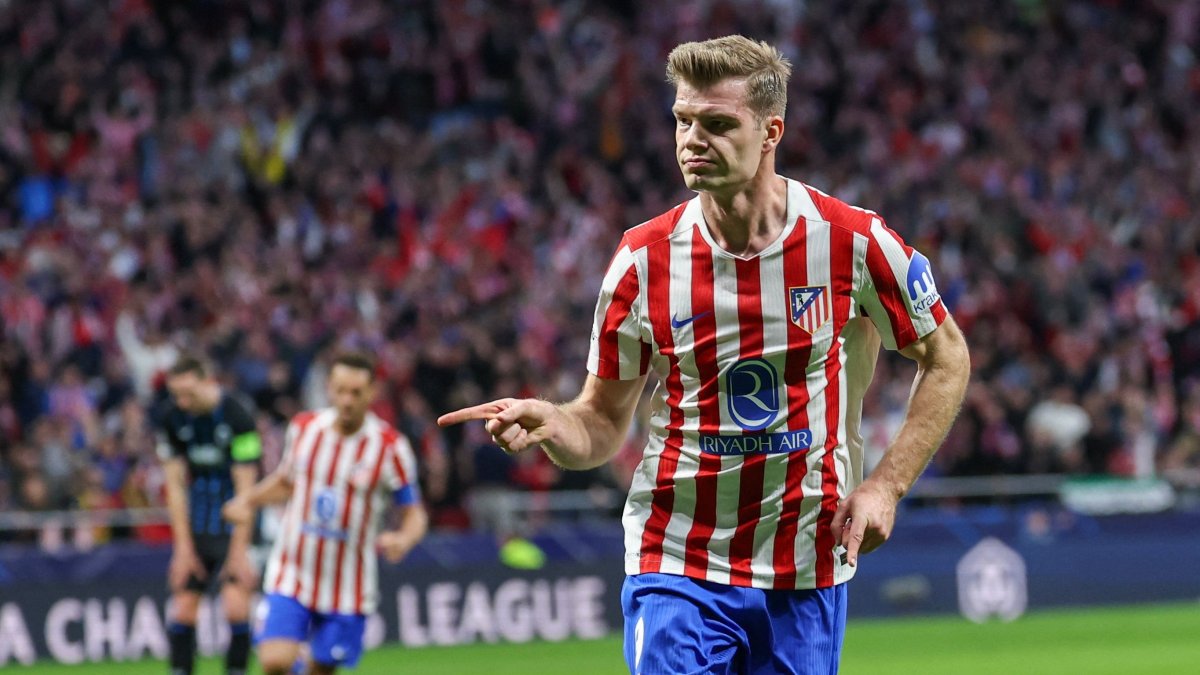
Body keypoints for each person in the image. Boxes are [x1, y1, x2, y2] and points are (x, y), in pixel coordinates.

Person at [438, 35, 971, 674]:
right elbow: (602, 422)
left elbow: (947, 356)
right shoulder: (641, 260)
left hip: (806, 558)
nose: (693, 139)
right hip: (677, 554)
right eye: (683, 121)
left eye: (718, 124)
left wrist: (887, 485)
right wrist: (557, 423)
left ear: (772, 131)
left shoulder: (854, 243)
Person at [222, 352, 428, 675]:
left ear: (372, 392)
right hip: (292, 573)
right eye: (340, 390)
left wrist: (405, 537)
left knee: (322, 669)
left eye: (356, 392)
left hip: (348, 586)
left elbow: (414, 512)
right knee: (274, 661)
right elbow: (285, 482)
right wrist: (247, 500)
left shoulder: (390, 447)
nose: (347, 400)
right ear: (329, 388)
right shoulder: (304, 428)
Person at [156, 356, 262, 675]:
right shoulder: (171, 419)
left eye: (188, 393)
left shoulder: (239, 415)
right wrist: (183, 550)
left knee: (235, 605)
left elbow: (247, 488)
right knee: (184, 610)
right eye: (176, 394)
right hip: (198, 525)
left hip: (235, 527)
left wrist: (239, 552)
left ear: (207, 381)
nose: (182, 401)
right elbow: (174, 488)